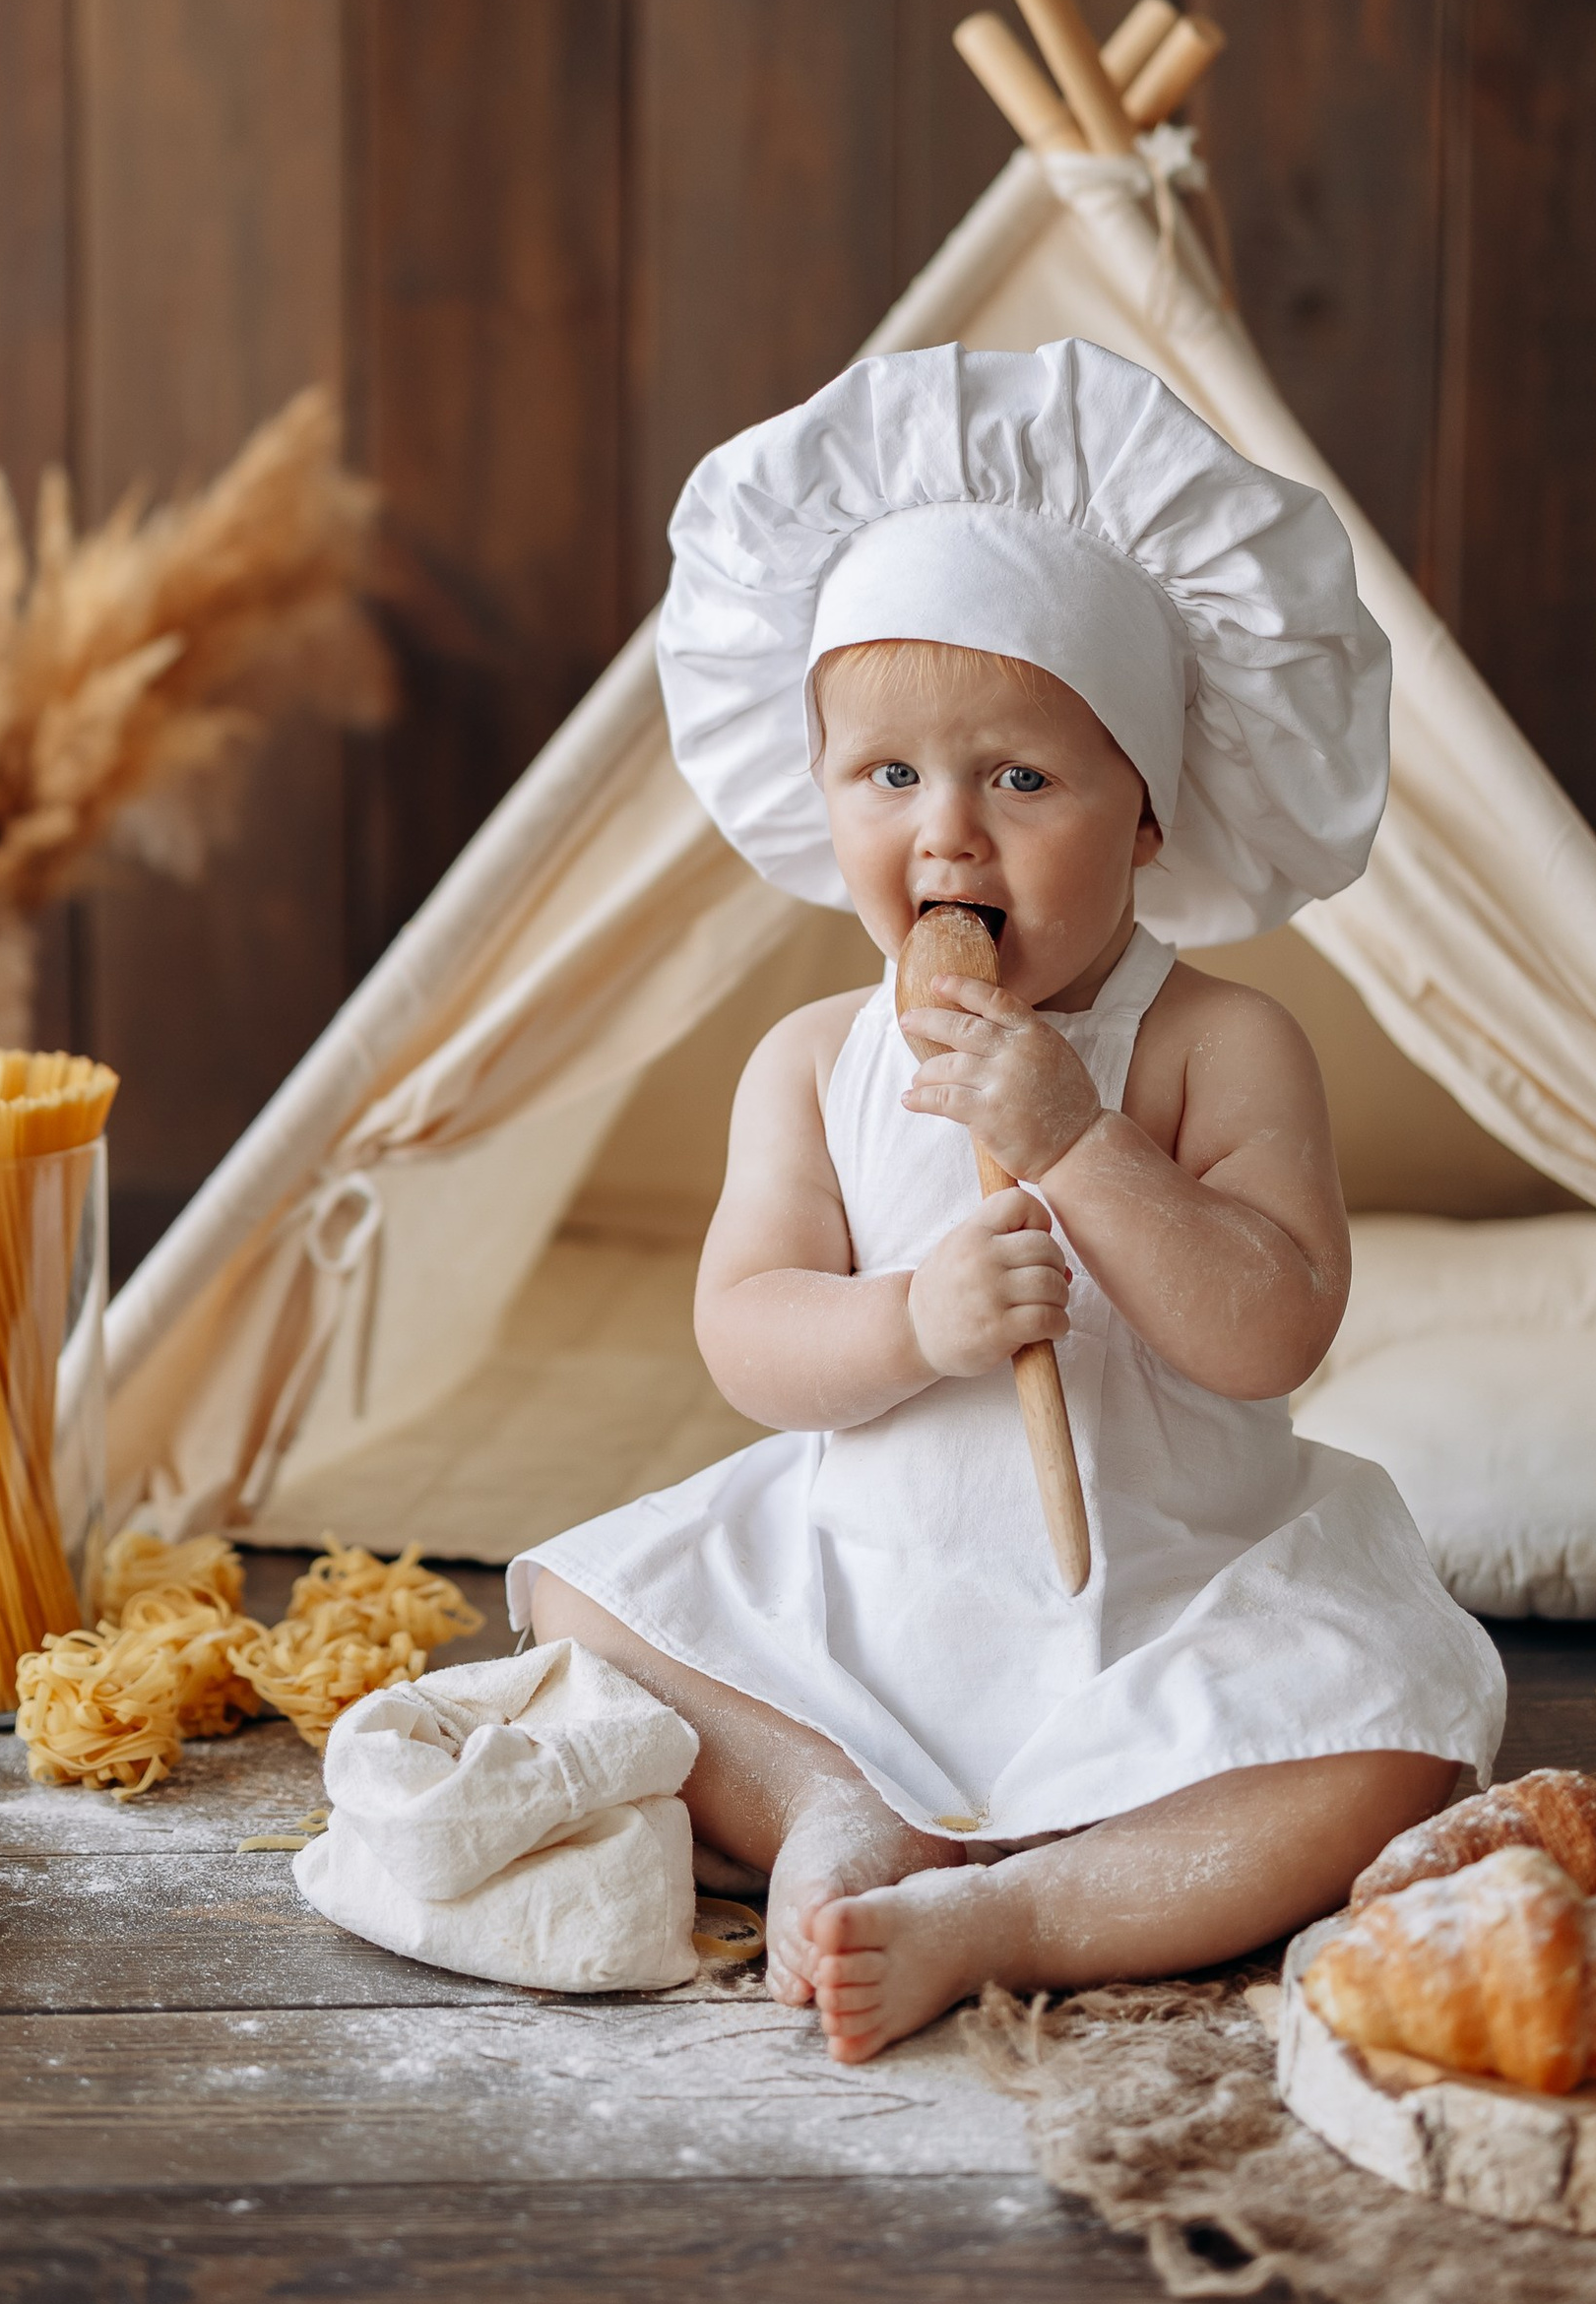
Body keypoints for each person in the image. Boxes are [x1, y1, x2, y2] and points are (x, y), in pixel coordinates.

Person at [511, 340, 1505, 2063]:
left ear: (1149, 815)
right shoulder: (810, 1059)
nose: (948, 837)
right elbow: (748, 1334)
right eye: (888, 778)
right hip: (862, 1595)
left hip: (1169, 1603)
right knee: (582, 1603)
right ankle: (831, 1799)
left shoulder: (1218, 1045)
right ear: (824, 793)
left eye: (1021, 780)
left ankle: (1021, 1912)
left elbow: (1272, 1330)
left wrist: (1079, 1142)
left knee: (1401, 1740)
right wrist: (912, 1320)